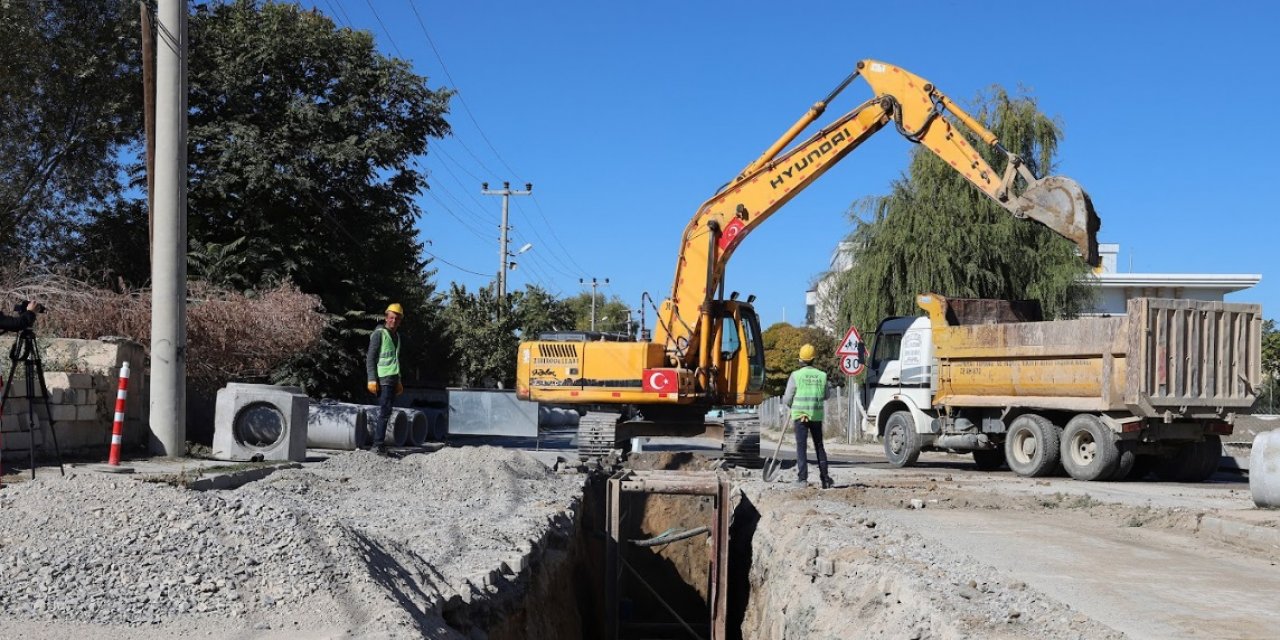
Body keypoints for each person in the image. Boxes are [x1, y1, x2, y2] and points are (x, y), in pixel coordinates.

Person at [782, 343, 835, 489]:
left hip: (799, 416)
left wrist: (790, 404)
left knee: (801, 447)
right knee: (819, 446)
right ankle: (825, 479)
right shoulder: (822, 376)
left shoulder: (796, 376)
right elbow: (826, 395)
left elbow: (787, 398)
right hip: (816, 415)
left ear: (801, 360)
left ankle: (802, 479)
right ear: (813, 359)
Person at [366, 303, 405, 456]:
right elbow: (370, 357)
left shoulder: (397, 336)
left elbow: (395, 360)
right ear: (386, 318)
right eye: (391, 318)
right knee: (383, 412)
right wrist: (371, 379)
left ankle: (379, 444)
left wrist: (399, 380)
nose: (393, 321)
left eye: (397, 319)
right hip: (382, 378)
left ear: (400, 321)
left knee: (387, 412)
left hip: (392, 378)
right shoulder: (379, 334)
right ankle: (377, 445)